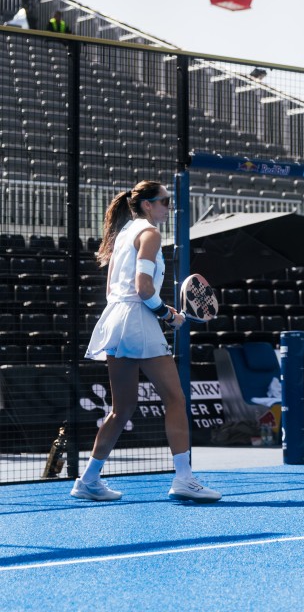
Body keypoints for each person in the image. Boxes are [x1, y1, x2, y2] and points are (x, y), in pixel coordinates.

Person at [76, 181, 221, 502]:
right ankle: (184, 477)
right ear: (147, 205)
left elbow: (128, 290)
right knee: (176, 399)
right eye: (165, 202)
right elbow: (142, 288)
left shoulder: (124, 234)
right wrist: (167, 316)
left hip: (116, 320)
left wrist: (162, 308)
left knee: (123, 407)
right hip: (137, 322)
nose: (169, 207)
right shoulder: (150, 234)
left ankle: (87, 479)